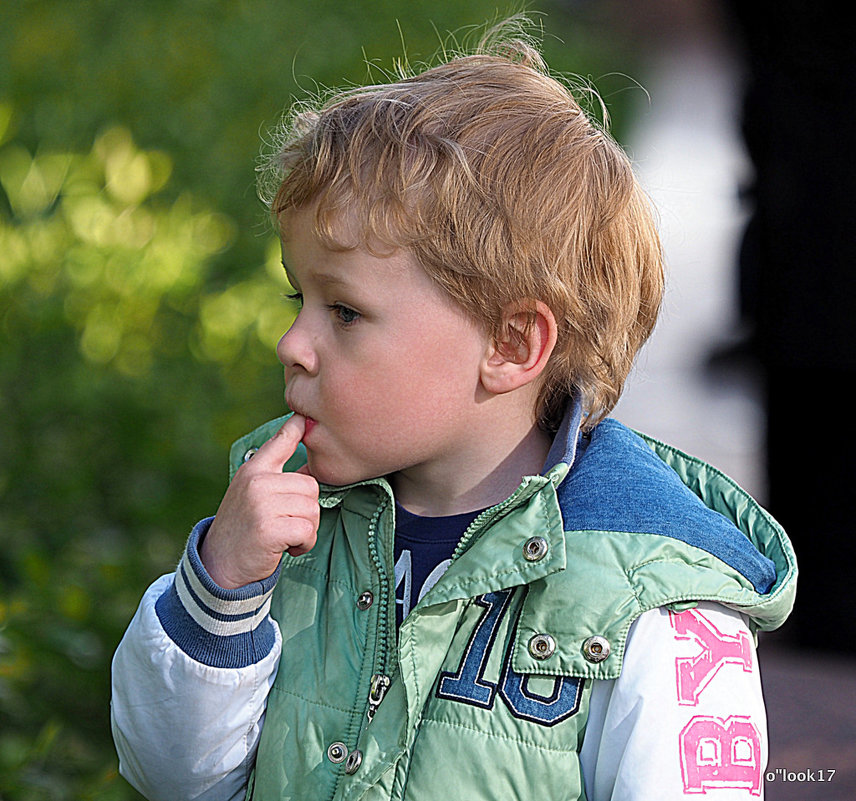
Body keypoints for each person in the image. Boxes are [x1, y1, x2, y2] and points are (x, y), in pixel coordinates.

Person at [111, 23, 796, 801]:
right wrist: (220, 590)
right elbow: (172, 775)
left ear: (510, 343)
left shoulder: (652, 599)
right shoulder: (288, 526)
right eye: (297, 298)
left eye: (344, 312)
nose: (291, 343)